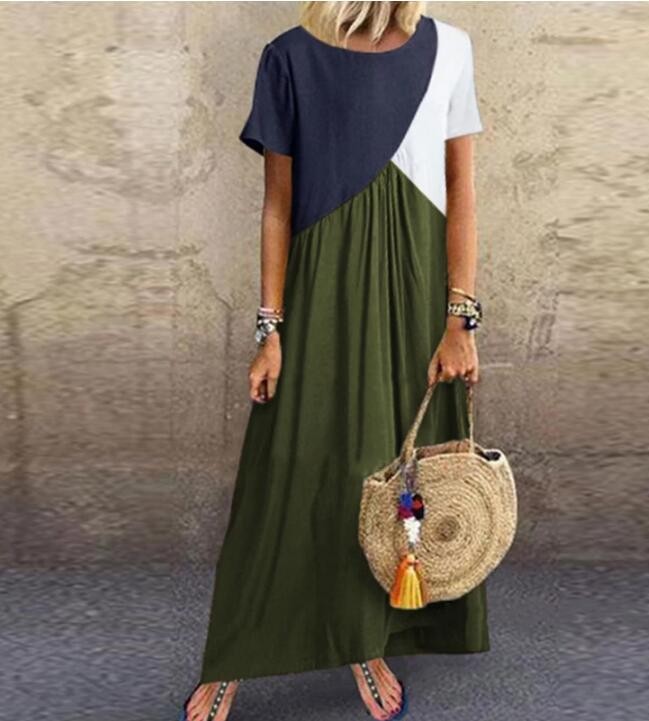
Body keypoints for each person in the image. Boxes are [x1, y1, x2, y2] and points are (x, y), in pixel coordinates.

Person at [179, 2, 488, 720]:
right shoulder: (288, 56)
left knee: (387, 471)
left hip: (415, 294)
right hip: (320, 290)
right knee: (287, 467)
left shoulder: (451, 49)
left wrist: (460, 319)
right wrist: (270, 329)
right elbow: (277, 205)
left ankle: (363, 640)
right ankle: (234, 654)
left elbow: (462, 188)